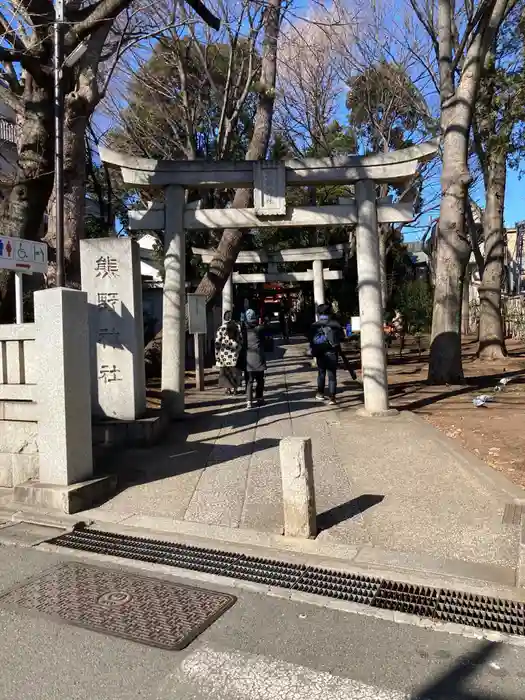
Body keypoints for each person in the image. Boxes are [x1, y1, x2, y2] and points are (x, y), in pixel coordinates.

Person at [308, 303, 344, 405]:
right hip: (332, 352)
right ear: (330, 312)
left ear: (319, 313)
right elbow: (342, 337)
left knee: (321, 373)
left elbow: (310, 340)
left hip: (320, 353)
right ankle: (332, 398)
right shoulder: (335, 324)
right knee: (332, 375)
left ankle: (320, 393)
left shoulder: (314, 325)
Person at [242, 308, 267, 409]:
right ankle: (259, 398)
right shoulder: (259, 329)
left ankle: (249, 401)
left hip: (248, 359)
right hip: (258, 358)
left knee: (249, 381)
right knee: (260, 379)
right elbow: (265, 339)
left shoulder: (243, 331)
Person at [215, 311, 243, 395]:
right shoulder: (237, 327)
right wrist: (238, 349)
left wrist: (217, 355)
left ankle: (228, 389)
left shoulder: (221, 328)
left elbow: (217, 342)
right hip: (235, 354)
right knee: (235, 372)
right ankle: (235, 389)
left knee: (225, 372)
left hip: (224, 354)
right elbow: (241, 340)